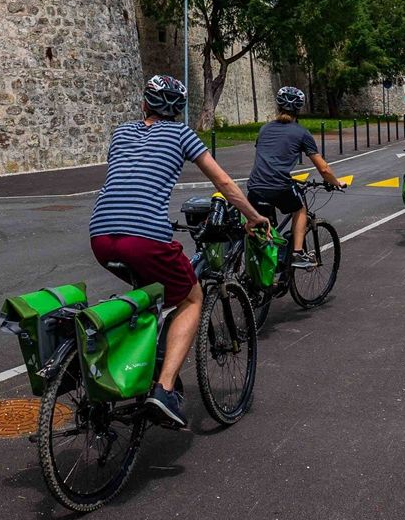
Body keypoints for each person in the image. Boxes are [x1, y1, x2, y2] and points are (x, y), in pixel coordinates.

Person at [90, 74, 270, 431]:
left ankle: (137, 360)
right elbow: (222, 181)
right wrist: (253, 216)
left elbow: (128, 175)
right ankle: (165, 388)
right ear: (180, 110)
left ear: (144, 104)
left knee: (149, 296)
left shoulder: (121, 133)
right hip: (144, 237)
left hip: (100, 234)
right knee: (191, 298)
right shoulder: (182, 134)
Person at [245, 86, 343, 269]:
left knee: (264, 231)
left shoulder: (264, 129)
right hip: (279, 186)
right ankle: (298, 253)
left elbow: (267, 157)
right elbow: (323, 168)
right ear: (299, 109)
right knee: (300, 210)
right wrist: (336, 182)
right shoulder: (301, 133)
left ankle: (263, 277)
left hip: (255, 187)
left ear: (278, 106)